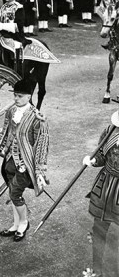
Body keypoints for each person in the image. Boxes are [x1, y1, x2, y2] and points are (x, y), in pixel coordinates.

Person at [0, 77, 49, 242]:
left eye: (20, 96)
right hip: (9, 161)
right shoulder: (10, 112)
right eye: (15, 95)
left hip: (25, 164)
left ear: (29, 97)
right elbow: (4, 134)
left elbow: (41, 146)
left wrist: (39, 171)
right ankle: (15, 225)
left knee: (15, 193)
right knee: (12, 192)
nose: (16, 99)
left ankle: (23, 223)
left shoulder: (38, 118)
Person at [83, 110, 119, 277]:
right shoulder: (109, 130)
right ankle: (98, 270)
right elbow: (102, 155)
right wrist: (93, 160)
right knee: (99, 229)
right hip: (105, 187)